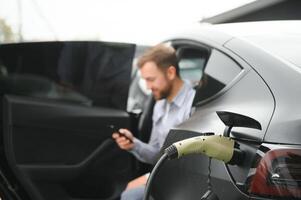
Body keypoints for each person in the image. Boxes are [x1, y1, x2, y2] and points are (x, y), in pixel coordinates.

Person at [112, 44, 196, 200]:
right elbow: (158, 154)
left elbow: (191, 162)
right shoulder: (160, 105)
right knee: (125, 194)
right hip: (165, 173)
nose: (148, 87)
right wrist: (134, 145)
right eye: (145, 81)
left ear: (171, 72)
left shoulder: (193, 104)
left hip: (185, 180)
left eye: (151, 80)